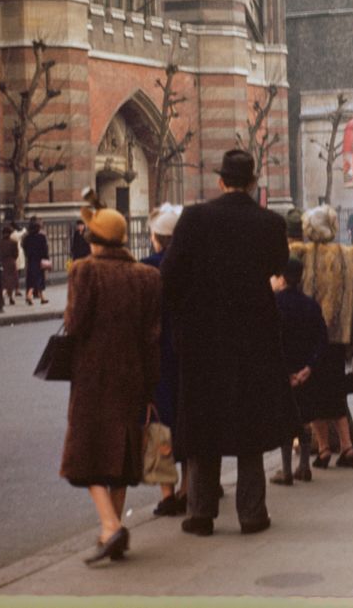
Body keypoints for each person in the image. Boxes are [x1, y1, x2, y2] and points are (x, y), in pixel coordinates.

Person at [161, 149, 295, 537]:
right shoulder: (269, 223)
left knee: (203, 425)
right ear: (253, 182)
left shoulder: (195, 218)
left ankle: (200, 513)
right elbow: (277, 266)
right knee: (249, 427)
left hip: (203, 339)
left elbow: (170, 276)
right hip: (253, 338)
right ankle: (252, 513)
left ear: (221, 181)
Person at [59, 203, 160, 564]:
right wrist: (151, 384)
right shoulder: (146, 276)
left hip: (94, 377)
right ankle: (111, 528)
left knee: (85, 456)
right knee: (121, 455)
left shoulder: (85, 271)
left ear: (93, 239)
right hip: (134, 376)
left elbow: (75, 324)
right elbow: (153, 337)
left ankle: (110, 525)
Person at [289, 205, 353, 469]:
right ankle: (346, 446)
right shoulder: (351, 256)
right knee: (335, 393)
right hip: (338, 338)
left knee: (311, 396)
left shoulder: (299, 255)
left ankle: (322, 449)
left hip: (307, 339)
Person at [141, 203, 187, 516]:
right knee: (187, 418)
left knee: (160, 422)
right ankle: (189, 486)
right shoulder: (193, 266)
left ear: (157, 238)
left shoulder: (146, 269)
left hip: (157, 355)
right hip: (186, 353)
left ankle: (168, 492)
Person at [269, 256, 327, 486]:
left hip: (283, 371)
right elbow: (322, 339)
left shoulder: (274, 304)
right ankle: (304, 466)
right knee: (304, 418)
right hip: (305, 371)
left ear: (281, 278)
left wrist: (284, 371)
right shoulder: (311, 304)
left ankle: (285, 470)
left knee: (285, 419)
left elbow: (272, 340)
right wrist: (308, 368)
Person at [21, 217, 51, 305]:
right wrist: (46, 258)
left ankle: (42, 298)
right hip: (39, 260)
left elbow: (24, 248)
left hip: (31, 260)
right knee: (38, 279)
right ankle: (29, 295)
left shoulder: (27, 238)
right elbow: (44, 249)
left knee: (32, 278)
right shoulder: (41, 237)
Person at [0, 225, 19, 305]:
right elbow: (16, 254)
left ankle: (3, 294)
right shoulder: (14, 242)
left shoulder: (0, 243)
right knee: (12, 281)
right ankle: (11, 298)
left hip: (3, 262)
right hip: (11, 262)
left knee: (4, 281)